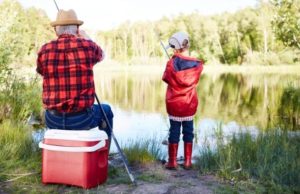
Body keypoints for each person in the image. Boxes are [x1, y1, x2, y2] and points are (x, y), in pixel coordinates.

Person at [36, 9, 113, 143]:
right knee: (106, 111)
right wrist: (86, 37)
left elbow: (41, 71)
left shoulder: (44, 50)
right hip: (82, 119)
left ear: (56, 30)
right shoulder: (88, 46)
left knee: (101, 110)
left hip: (53, 119)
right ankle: (103, 153)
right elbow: (102, 55)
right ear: (77, 29)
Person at [162, 31, 203, 170]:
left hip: (174, 104)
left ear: (175, 47)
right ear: (187, 45)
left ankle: (172, 162)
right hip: (189, 104)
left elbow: (166, 78)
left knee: (174, 131)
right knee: (188, 131)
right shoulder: (197, 64)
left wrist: (172, 61)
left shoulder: (171, 63)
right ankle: (187, 162)